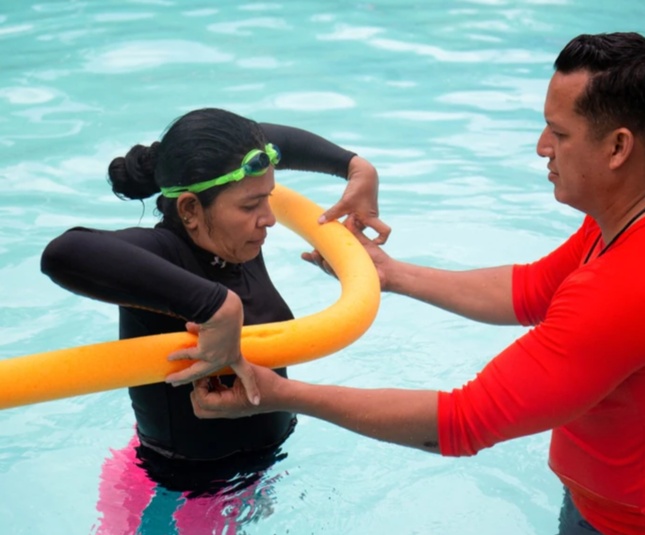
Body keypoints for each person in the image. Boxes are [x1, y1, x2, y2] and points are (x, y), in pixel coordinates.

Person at [189, 33, 645, 535]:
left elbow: (461, 423)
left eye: (559, 132)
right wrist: (391, 273)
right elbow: (533, 289)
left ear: (618, 147)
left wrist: (281, 394)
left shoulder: (628, 288)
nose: (541, 148)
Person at [39, 107, 389, 532]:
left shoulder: (236, 239)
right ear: (189, 209)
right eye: (251, 204)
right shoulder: (159, 256)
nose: (270, 218)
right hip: (179, 491)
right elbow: (64, 254)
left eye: (268, 197)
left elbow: (264, 137)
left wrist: (355, 167)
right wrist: (215, 306)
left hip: (257, 469)